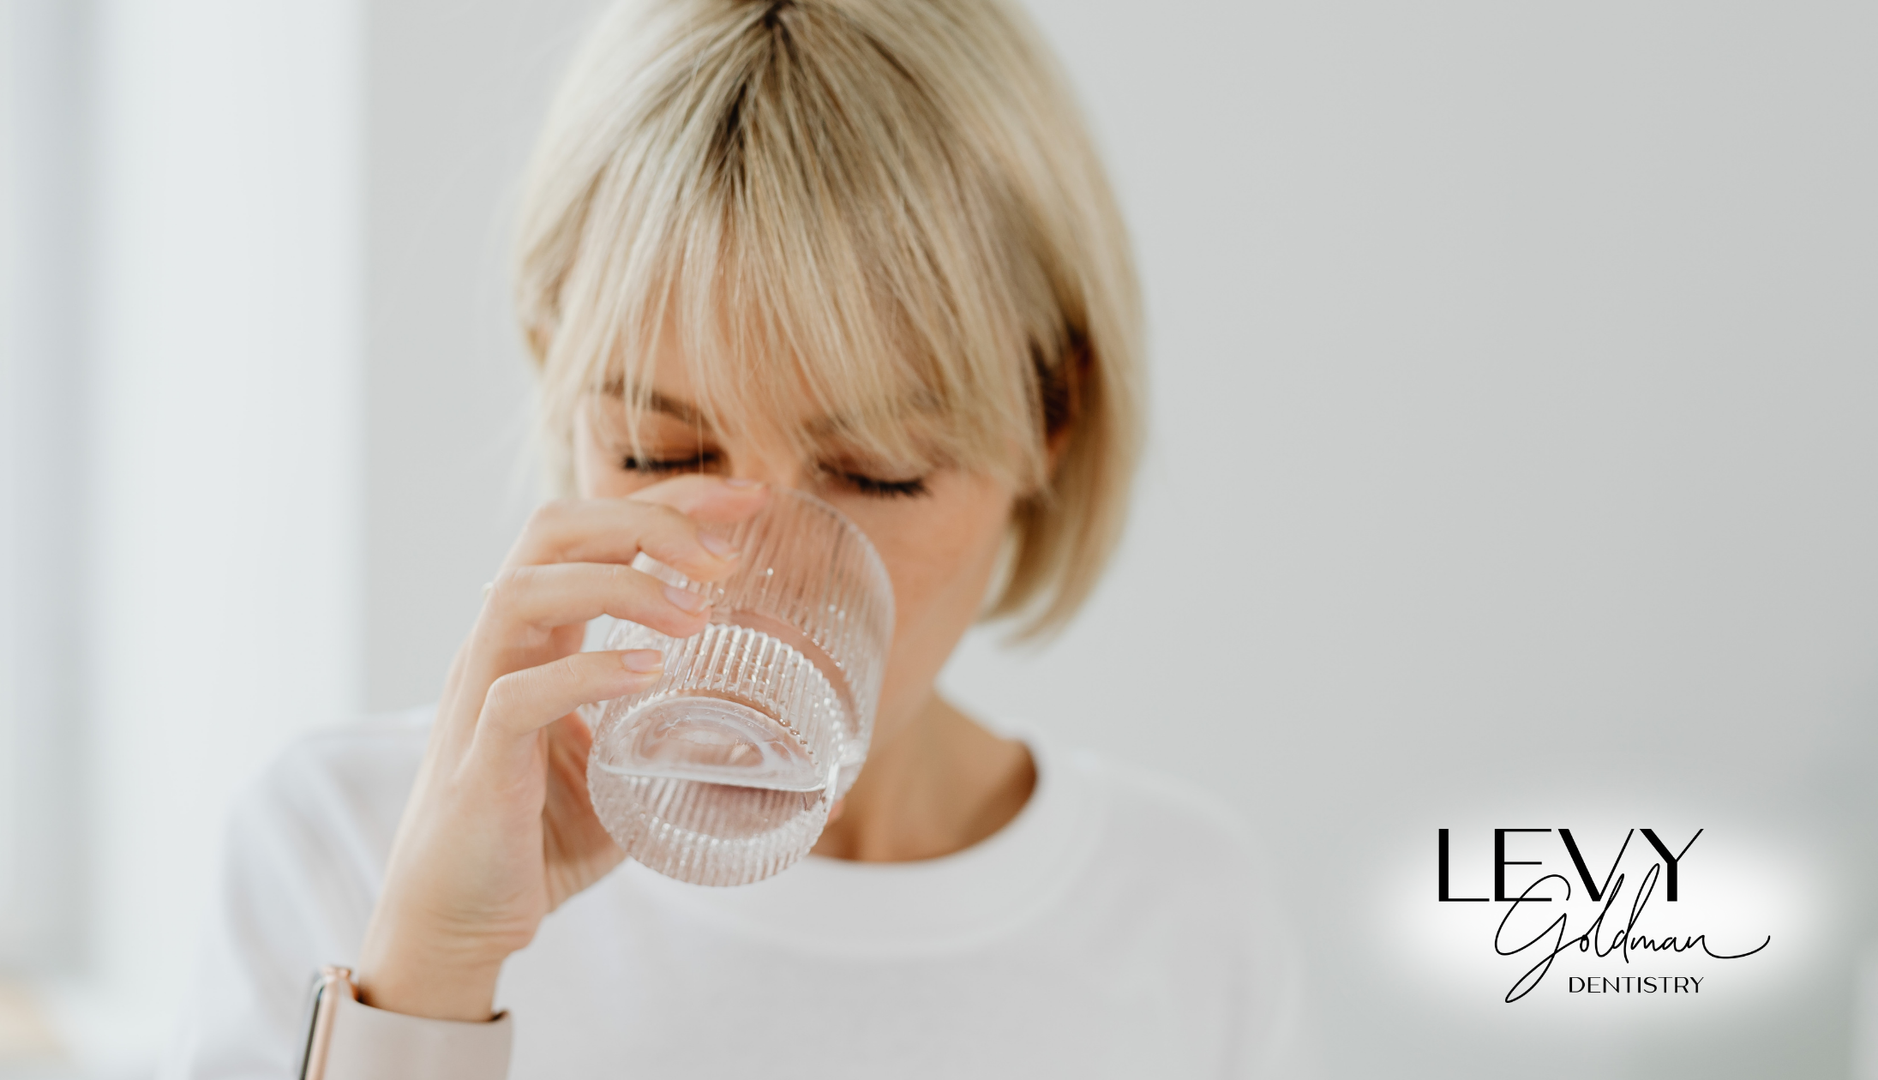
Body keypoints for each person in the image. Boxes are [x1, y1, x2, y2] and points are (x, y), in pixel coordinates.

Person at [162, 0, 1317, 1076]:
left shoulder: (1182, 915)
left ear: (1052, 420)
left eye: (877, 471)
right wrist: (432, 979)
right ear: (558, 374)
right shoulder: (343, 846)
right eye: (660, 454)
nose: (736, 572)